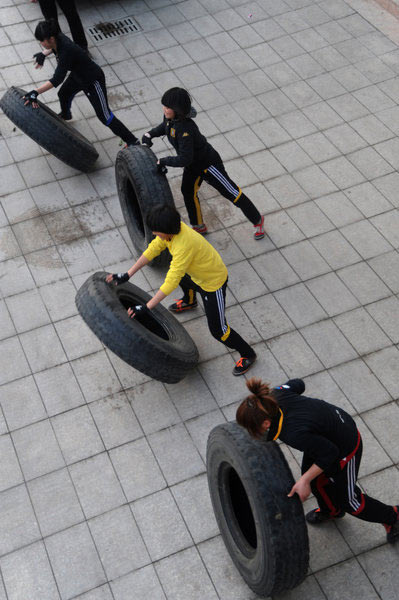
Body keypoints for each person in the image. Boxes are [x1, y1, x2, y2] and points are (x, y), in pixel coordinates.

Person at [236, 378, 399, 543]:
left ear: (266, 423)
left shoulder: (293, 434)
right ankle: (332, 510)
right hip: (321, 436)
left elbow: (329, 453)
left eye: (252, 429)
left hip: (344, 445)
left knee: (350, 501)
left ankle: (393, 516)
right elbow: (298, 383)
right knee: (317, 481)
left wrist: (304, 480)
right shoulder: (274, 396)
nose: (251, 433)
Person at [106, 204, 257, 376]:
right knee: (183, 276)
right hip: (196, 275)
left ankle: (248, 354)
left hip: (212, 284)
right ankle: (190, 301)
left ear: (166, 230)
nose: (154, 233)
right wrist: (127, 274)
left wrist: (146, 307)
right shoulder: (172, 231)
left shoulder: (184, 246)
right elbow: (153, 248)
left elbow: (170, 281)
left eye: (156, 231)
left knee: (218, 330)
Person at [141, 87, 265, 240]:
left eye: (167, 107)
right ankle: (198, 225)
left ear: (177, 109)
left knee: (231, 192)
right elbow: (165, 127)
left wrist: (163, 161)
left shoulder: (186, 129)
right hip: (193, 165)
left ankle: (257, 220)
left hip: (208, 166)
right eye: (164, 106)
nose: (164, 110)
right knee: (187, 191)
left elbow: (184, 159)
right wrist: (150, 134)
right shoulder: (170, 118)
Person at [24, 19, 139, 146]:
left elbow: (56, 79)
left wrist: (35, 92)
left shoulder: (66, 51)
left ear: (51, 39)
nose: (41, 43)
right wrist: (43, 54)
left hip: (93, 80)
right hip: (78, 76)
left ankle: (132, 140)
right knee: (63, 94)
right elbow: (53, 49)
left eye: (41, 41)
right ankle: (66, 115)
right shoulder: (57, 38)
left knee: (105, 117)